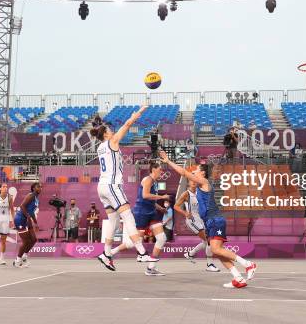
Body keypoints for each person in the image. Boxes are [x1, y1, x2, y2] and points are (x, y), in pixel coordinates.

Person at [159, 151, 256, 288]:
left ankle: (248, 264)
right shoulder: (198, 188)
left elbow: (184, 173)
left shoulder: (204, 182)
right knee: (218, 252)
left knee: (216, 250)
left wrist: (168, 161)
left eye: (197, 170)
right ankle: (238, 278)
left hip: (215, 219)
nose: (194, 171)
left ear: (203, 173)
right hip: (209, 222)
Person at [89, 107, 158, 272]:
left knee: (113, 221)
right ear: (105, 134)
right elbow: (127, 125)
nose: (112, 131)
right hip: (112, 186)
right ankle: (141, 252)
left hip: (103, 187)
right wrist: (137, 114)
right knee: (128, 216)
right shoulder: (111, 142)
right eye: (109, 130)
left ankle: (106, 254)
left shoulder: (100, 147)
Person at [174, 180, 220, 272]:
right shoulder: (186, 194)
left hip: (201, 219)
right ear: (188, 183)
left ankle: (190, 254)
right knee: (208, 240)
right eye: (192, 181)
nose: (194, 182)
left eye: (195, 181)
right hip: (192, 220)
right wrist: (185, 213)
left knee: (205, 241)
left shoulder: (200, 192)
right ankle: (209, 264)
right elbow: (176, 206)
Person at [13, 182, 42, 268]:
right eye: (38, 187)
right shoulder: (31, 195)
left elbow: (32, 211)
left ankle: (24, 256)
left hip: (27, 219)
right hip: (20, 219)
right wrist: (28, 217)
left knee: (33, 239)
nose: (40, 188)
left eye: (41, 187)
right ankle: (17, 261)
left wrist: (36, 223)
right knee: (26, 241)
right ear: (33, 188)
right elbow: (22, 206)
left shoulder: (36, 199)